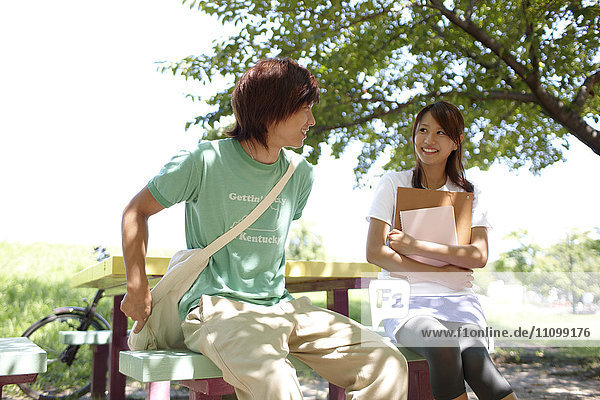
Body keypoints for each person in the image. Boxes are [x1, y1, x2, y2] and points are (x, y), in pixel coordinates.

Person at [120, 58, 408, 400]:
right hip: (219, 308)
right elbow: (136, 211)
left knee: (388, 363)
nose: (312, 121)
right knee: (278, 387)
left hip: (282, 307)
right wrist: (137, 286)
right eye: (305, 109)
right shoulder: (203, 160)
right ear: (273, 109)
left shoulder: (300, 175)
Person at [366, 101, 517, 400]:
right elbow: (374, 252)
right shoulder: (392, 184)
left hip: (458, 302)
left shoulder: (470, 193)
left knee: (476, 361)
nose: (428, 140)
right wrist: (442, 267)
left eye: (439, 133)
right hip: (406, 303)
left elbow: (478, 256)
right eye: (422, 130)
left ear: (456, 142)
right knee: (443, 344)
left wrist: (414, 247)